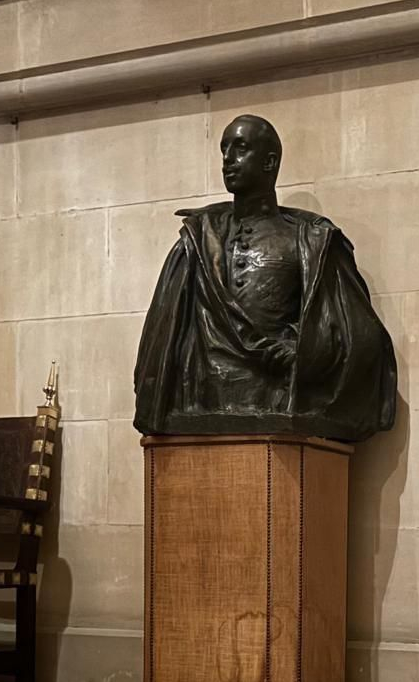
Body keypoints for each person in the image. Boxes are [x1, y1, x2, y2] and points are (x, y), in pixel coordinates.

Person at [133, 114, 397, 443]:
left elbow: (359, 334)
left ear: (270, 162)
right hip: (202, 395)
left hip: (274, 393)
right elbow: (162, 334)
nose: (228, 159)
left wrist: (304, 351)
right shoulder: (197, 240)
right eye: (224, 149)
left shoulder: (309, 241)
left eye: (240, 148)